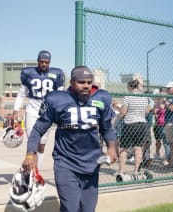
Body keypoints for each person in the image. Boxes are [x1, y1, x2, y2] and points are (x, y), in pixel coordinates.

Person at [21, 66, 117, 212]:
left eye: (89, 82)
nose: (86, 86)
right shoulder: (57, 99)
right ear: (72, 82)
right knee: (70, 207)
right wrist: (30, 153)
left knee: (88, 209)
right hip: (66, 162)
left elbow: (107, 128)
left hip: (92, 163)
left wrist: (111, 148)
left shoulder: (101, 98)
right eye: (81, 82)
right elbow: (38, 129)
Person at [13, 50, 65, 169]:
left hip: (48, 112)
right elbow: (21, 94)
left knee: (41, 145)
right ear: (37, 61)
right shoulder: (29, 73)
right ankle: (32, 171)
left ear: (49, 62)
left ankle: (37, 171)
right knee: (33, 141)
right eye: (41, 62)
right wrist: (16, 110)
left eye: (46, 62)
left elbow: (61, 95)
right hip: (32, 109)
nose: (44, 64)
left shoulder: (57, 74)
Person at [116, 79, 151, 179]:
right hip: (141, 123)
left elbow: (123, 112)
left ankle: (121, 171)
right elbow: (147, 111)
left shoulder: (128, 97)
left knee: (123, 148)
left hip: (130, 124)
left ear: (130, 87)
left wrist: (118, 114)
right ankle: (136, 170)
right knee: (138, 148)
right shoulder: (144, 96)